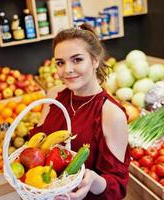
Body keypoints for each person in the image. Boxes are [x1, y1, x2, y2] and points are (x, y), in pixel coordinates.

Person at [29, 23, 130, 200]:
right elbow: (38, 146)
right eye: (60, 63)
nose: (67, 69)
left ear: (95, 60)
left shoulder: (111, 114)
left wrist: (93, 180)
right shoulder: (54, 96)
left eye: (77, 60)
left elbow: (118, 186)